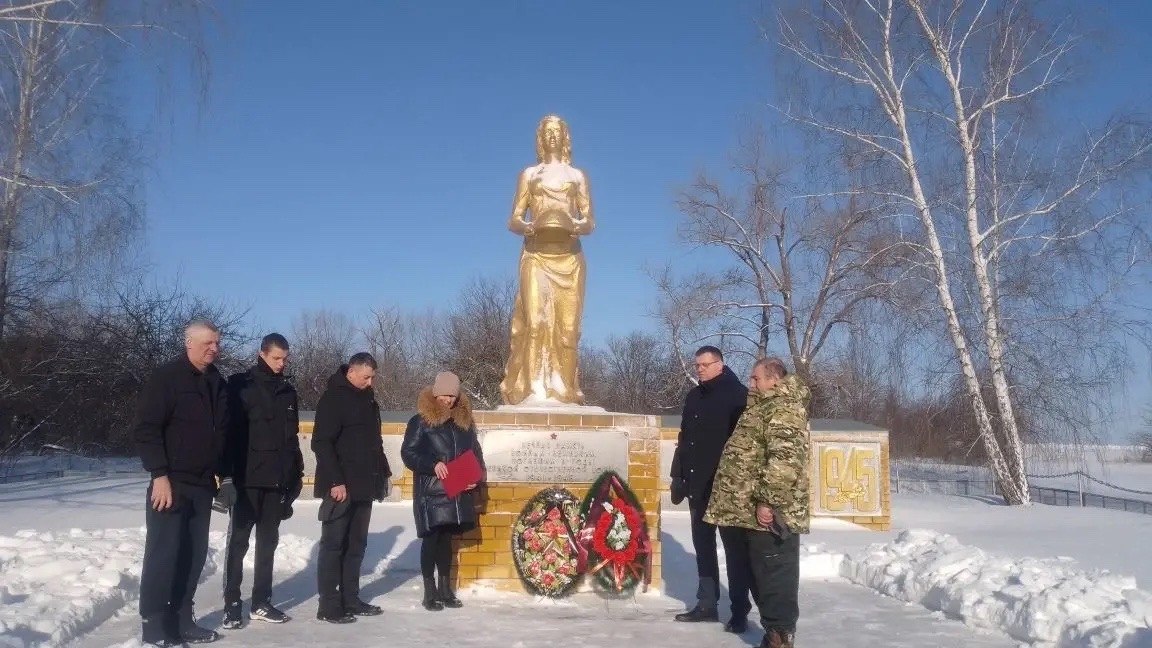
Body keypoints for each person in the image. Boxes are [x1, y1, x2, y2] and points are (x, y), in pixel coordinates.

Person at [133, 320, 231, 646]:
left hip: (202, 484)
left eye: (217, 343)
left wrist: (225, 476)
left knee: (194, 555)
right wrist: (159, 474)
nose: (214, 349)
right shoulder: (167, 378)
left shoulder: (217, 382)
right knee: (164, 555)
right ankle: (154, 626)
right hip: (171, 483)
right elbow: (147, 429)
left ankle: (181, 619)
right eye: (208, 343)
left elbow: (222, 434)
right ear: (189, 342)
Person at [704, 357, 811, 648]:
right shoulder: (761, 407)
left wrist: (768, 501)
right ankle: (773, 635)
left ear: (774, 379)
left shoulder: (784, 408)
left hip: (772, 514)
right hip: (748, 513)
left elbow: (784, 460)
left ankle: (781, 637)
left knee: (775, 577)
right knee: (759, 576)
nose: (750, 384)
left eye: (756, 378)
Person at [500, 114, 596, 406]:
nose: (552, 136)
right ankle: (533, 391)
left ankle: (565, 391)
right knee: (535, 323)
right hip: (536, 254)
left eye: (557, 132)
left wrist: (575, 225)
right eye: (547, 132)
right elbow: (514, 219)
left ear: (565, 137)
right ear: (540, 139)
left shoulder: (577, 176)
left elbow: (589, 220)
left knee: (568, 329)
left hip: (569, 256)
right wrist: (529, 226)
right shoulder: (530, 174)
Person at [219, 333, 304, 629]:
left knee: (268, 544)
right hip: (247, 480)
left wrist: (295, 476)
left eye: (285, 359)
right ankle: (232, 603)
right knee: (238, 542)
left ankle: (261, 602)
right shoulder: (240, 386)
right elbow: (228, 435)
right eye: (276, 358)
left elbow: (292, 439)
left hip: (276, 482)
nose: (281, 364)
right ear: (262, 354)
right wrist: (226, 476)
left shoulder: (288, 392)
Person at [670, 345, 757, 633]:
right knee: (703, 547)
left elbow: (746, 446)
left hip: (726, 489)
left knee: (734, 551)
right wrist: (678, 476)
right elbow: (685, 439)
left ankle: (739, 609)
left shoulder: (738, 396)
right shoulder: (694, 396)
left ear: (720, 364)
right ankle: (706, 604)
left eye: (705, 365)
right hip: (697, 486)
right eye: (697, 365)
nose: (699, 369)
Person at [311, 352, 392, 623]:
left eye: (373, 377)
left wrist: (383, 474)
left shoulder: (369, 401)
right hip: (340, 487)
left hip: (364, 485)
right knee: (333, 545)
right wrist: (336, 481)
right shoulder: (333, 398)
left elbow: (374, 442)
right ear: (351, 372)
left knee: (356, 545)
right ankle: (328, 605)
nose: (370, 382)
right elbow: (321, 442)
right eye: (366, 377)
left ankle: (350, 598)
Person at [401, 371, 486, 611]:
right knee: (431, 540)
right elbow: (408, 453)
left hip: (456, 490)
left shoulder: (464, 423)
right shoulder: (420, 421)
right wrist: (432, 464)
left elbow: (476, 454)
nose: (448, 400)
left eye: (452, 396)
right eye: (444, 395)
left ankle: (445, 590)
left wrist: (476, 478)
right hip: (432, 492)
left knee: (447, 541)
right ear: (436, 393)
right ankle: (430, 592)